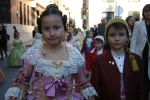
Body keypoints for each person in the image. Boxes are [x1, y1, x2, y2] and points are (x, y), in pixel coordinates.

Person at [5, 4, 97, 100]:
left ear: (64, 28)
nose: (52, 33)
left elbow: (83, 84)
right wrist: (14, 94)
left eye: (56, 28)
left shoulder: (74, 55)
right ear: (41, 30)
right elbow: (21, 82)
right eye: (46, 29)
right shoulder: (33, 54)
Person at [91, 18, 145, 100]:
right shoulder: (99, 60)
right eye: (112, 35)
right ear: (106, 38)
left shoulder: (135, 59)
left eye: (121, 34)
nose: (117, 38)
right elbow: (95, 88)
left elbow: (140, 87)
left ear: (127, 37)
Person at [130, 4, 150, 100]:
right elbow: (134, 40)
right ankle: (143, 93)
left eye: (149, 11)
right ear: (143, 13)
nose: (148, 13)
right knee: (142, 72)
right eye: (146, 11)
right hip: (141, 53)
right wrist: (132, 55)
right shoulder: (138, 24)